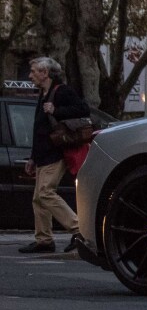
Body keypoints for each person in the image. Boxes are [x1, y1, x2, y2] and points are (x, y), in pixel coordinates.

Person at [20, 57, 88, 254]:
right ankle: (44, 240)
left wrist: (57, 110)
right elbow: (38, 127)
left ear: (45, 73)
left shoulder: (61, 91)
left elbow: (83, 110)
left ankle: (78, 229)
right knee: (38, 198)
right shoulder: (43, 93)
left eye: (33, 71)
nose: (30, 75)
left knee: (45, 193)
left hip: (55, 152)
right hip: (42, 153)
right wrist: (32, 157)